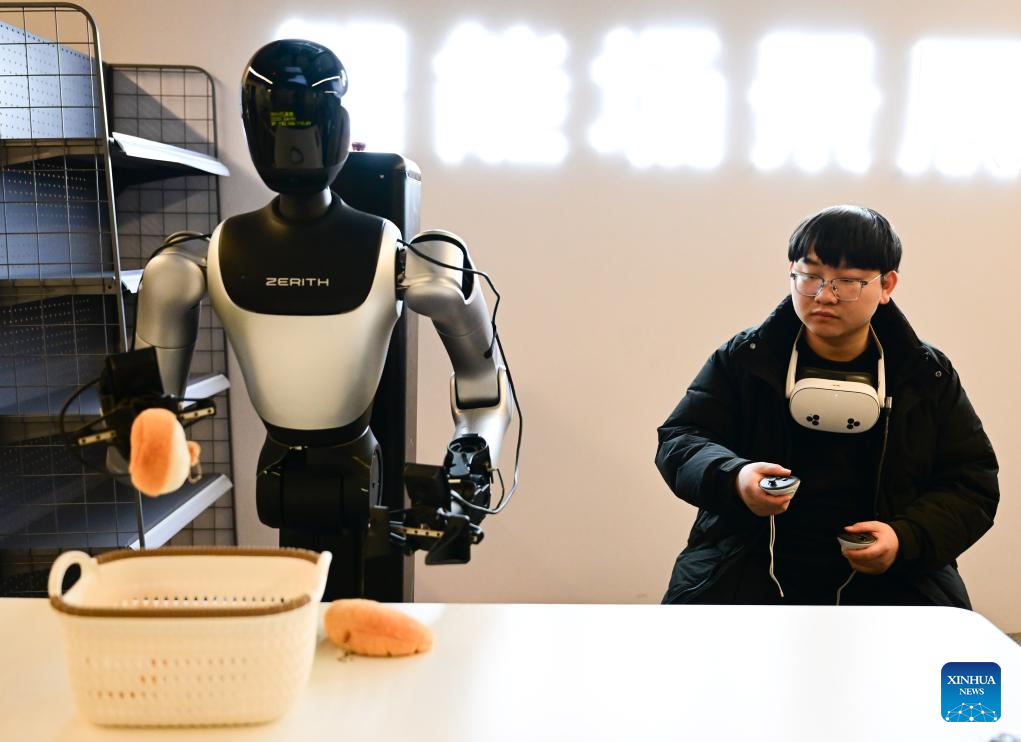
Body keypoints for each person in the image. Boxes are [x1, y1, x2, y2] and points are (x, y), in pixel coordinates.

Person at [655, 205, 998, 607]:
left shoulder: (924, 374)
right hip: (748, 562)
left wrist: (905, 537)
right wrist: (737, 477)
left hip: (892, 575)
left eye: (847, 281)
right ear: (791, 272)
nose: (824, 295)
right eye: (810, 276)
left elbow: (972, 482)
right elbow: (681, 439)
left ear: (887, 285)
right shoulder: (747, 358)